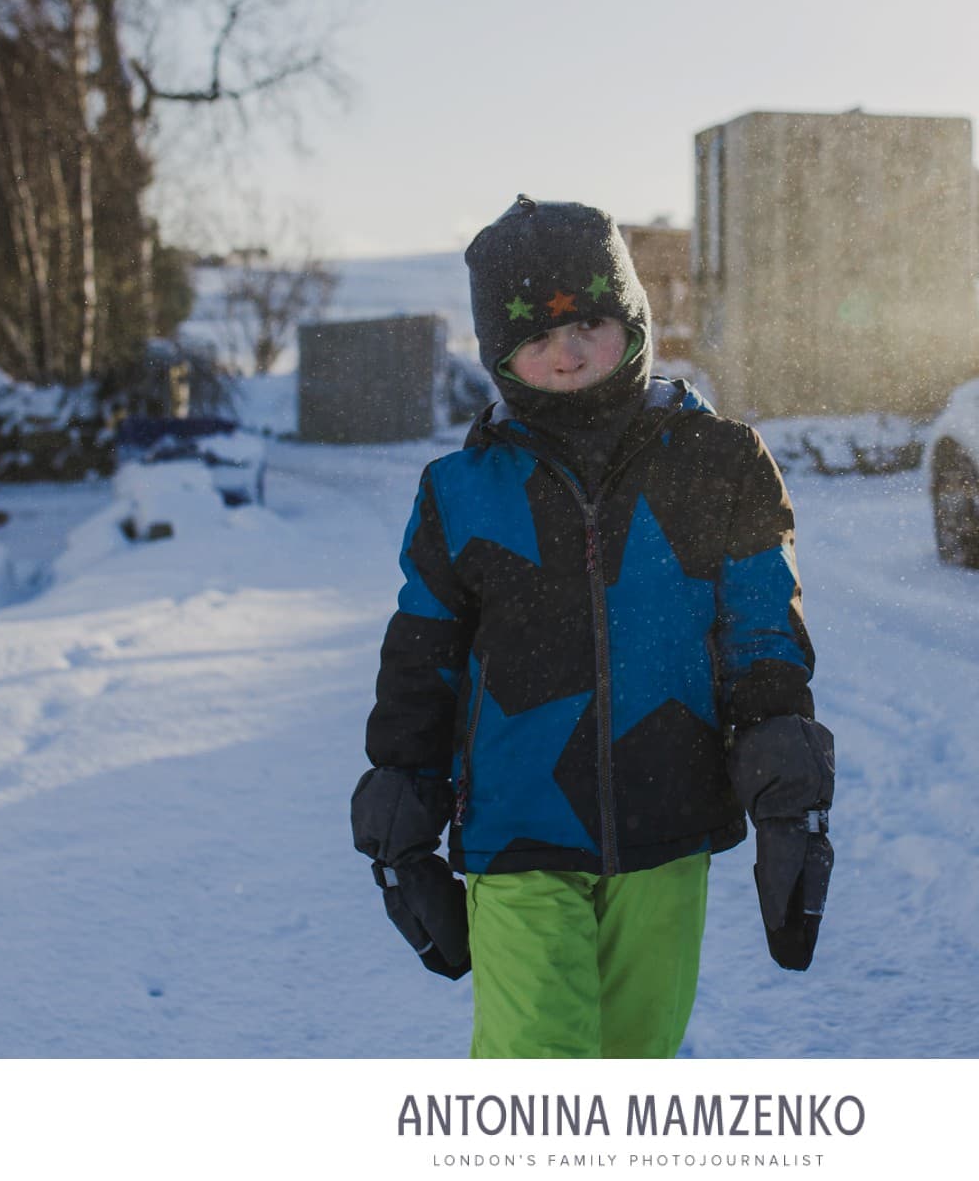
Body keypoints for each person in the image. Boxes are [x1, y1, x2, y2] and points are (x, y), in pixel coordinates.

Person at [350, 195, 836, 1058]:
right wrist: (401, 808)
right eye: (533, 337)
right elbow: (422, 657)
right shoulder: (460, 493)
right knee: (540, 1068)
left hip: (669, 821)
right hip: (518, 827)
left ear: (634, 316)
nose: (566, 354)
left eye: (590, 323)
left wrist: (787, 798)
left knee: (633, 1057)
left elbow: (761, 631)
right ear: (500, 353)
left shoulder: (720, 461)